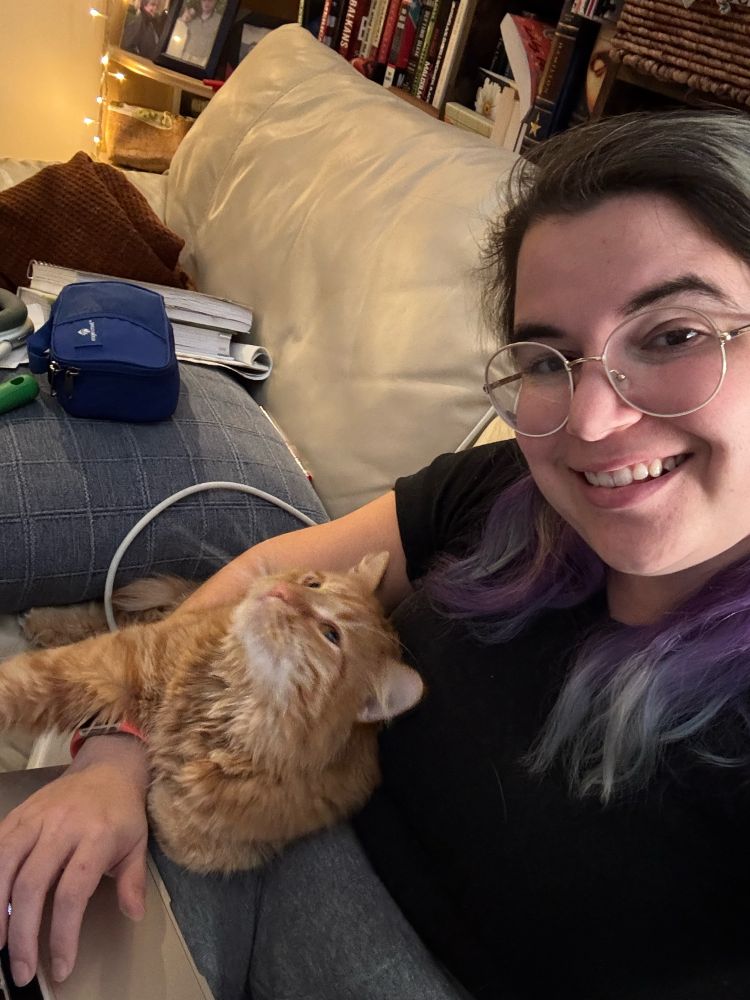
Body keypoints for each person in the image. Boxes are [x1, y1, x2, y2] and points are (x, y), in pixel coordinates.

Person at [3, 107, 750, 1000]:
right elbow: (264, 572)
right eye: (550, 359)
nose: (590, 420)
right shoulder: (511, 489)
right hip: (225, 843)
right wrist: (118, 751)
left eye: (673, 335)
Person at [180, 0, 221, 67]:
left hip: (204, 61)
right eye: (204, 0)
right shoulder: (191, 17)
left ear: (215, 2)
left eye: (210, 1)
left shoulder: (219, 20)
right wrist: (183, 19)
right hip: (186, 57)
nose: (206, 3)